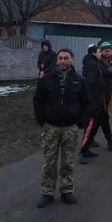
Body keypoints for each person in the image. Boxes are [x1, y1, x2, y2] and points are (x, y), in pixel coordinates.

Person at [34, 48, 89, 208]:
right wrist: (41, 120)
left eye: (66, 58)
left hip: (70, 128)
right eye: (60, 58)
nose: (63, 61)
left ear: (72, 59)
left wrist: (81, 122)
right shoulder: (47, 79)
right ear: (57, 60)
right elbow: (37, 100)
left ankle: (67, 190)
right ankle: (47, 192)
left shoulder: (79, 80)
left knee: (68, 161)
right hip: (51, 127)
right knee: (49, 162)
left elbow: (87, 103)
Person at [78, 44, 112, 161]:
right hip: (93, 102)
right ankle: (82, 152)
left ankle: (87, 149)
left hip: (101, 101)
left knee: (97, 125)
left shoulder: (98, 63)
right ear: (94, 53)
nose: (101, 54)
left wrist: (111, 72)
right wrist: (104, 77)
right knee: (91, 127)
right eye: (99, 52)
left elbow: (106, 72)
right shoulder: (91, 65)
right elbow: (91, 82)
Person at [96, 41, 112, 151]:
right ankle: (109, 140)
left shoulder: (111, 60)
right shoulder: (97, 61)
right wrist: (107, 71)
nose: (108, 52)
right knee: (102, 116)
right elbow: (97, 73)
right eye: (106, 51)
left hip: (107, 91)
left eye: (109, 51)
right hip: (98, 92)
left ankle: (90, 139)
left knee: (100, 116)